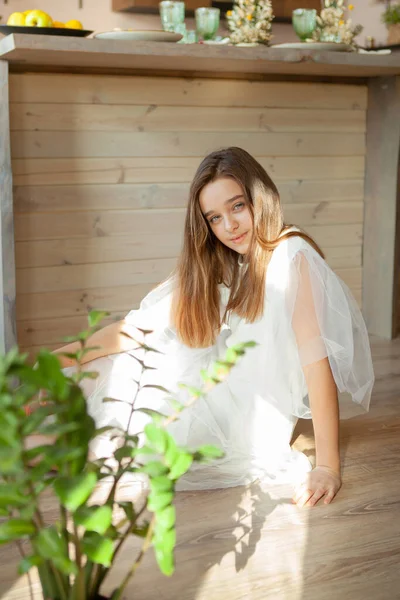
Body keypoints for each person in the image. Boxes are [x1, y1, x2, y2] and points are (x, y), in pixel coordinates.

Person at [55, 147, 374, 507]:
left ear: (261, 198)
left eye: (237, 206)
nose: (229, 226)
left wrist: (328, 467)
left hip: (245, 420)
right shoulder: (230, 263)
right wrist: (55, 360)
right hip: (216, 386)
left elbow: (317, 366)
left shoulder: (292, 256)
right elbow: (136, 327)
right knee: (110, 376)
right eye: (214, 218)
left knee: (109, 442)